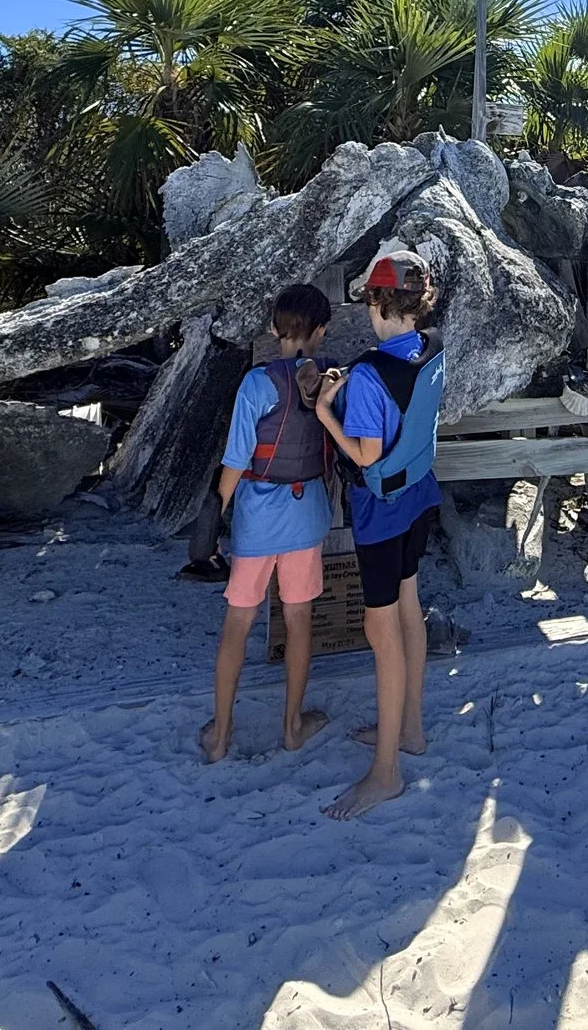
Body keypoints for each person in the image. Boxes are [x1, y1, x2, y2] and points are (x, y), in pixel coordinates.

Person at [311, 251, 444, 819]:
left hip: (382, 511)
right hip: (419, 494)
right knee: (410, 605)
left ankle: (386, 773)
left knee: (380, 630)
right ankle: (410, 729)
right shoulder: (431, 346)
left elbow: (365, 455)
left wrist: (325, 412)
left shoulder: (368, 376)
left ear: (375, 301)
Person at [199, 283, 336, 763]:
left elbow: (237, 460)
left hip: (258, 520)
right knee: (299, 619)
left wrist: (213, 518)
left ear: (274, 329)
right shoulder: (329, 381)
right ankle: (293, 727)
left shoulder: (256, 384)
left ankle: (220, 736)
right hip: (307, 515)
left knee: (238, 622)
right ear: (321, 330)